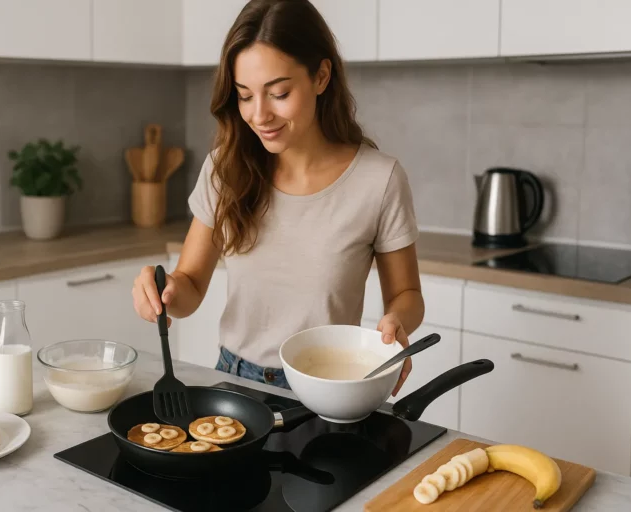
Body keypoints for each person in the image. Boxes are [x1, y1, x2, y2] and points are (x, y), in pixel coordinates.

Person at [132, 0, 424, 397]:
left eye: (279, 93)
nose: (259, 115)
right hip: (232, 381)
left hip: (329, 388)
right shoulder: (225, 168)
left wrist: (396, 323)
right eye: (244, 95)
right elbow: (190, 286)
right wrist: (162, 292)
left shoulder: (379, 180)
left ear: (321, 76)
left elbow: (407, 295)